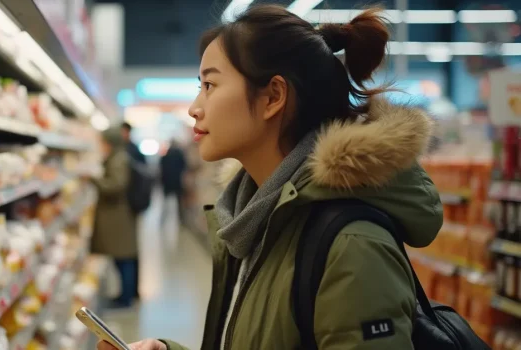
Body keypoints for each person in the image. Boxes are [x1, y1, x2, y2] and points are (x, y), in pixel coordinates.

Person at [99, 5, 441, 350]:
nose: (194, 107)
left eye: (209, 85)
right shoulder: (253, 218)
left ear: (273, 97)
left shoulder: (352, 249)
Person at [90, 127, 139, 308]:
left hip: (118, 217)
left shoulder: (119, 159)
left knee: (123, 258)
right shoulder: (118, 157)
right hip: (117, 216)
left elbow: (116, 185)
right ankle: (125, 295)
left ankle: (125, 298)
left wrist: (95, 179)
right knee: (122, 258)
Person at [121, 122, 146, 300]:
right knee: (131, 250)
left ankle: (129, 294)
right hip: (134, 204)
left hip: (130, 206)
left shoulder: (129, 152)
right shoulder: (134, 150)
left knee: (128, 251)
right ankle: (133, 291)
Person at [159, 140, 187, 225]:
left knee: (165, 202)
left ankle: (163, 218)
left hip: (167, 182)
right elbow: (184, 166)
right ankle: (181, 219)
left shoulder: (165, 155)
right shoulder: (179, 154)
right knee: (179, 202)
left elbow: (161, 168)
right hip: (177, 181)